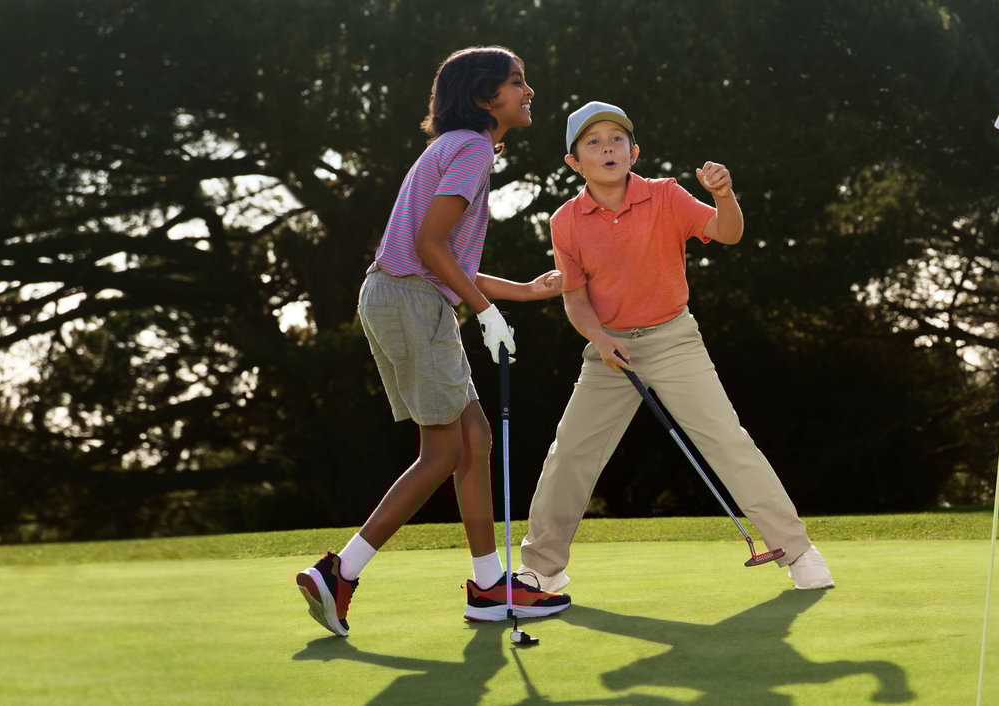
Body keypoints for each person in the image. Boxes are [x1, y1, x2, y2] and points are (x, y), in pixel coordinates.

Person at [294, 46, 570, 637]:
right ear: (482, 97)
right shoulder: (470, 148)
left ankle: (488, 586)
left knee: (472, 440)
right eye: (516, 82)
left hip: (401, 299)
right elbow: (429, 246)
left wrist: (517, 293)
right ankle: (340, 571)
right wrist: (487, 311)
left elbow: (444, 254)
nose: (528, 91)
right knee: (444, 452)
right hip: (411, 302)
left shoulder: (455, 149)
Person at [517, 101, 834, 594]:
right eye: (593, 142)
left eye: (617, 139)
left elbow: (727, 233)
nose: (607, 147)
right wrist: (600, 340)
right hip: (609, 352)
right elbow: (575, 300)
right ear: (574, 162)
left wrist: (724, 195)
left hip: (674, 340)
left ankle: (797, 551)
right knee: (570, 453)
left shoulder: (666, 195)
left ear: (634, 152)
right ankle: (543, 567)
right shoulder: (566, 221)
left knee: (727, 440)